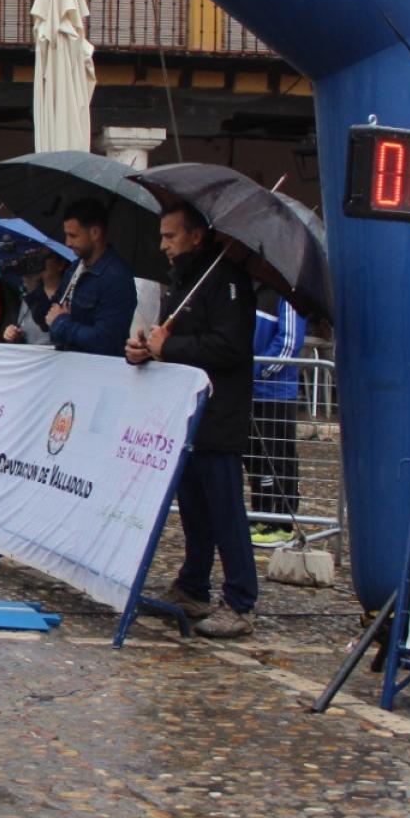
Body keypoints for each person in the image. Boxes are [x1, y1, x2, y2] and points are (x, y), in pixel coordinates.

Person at [126, 201, 257, 639]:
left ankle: (240, 600)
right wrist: (147, 348)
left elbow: (229, 347)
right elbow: (175, 337)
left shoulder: (229, 281)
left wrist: (170, 349)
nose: (163, 245)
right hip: (187, 414)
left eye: (170, 236)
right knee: (196, 510)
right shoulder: (185, 279)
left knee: (225, 511)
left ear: (196, 236)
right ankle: (193, 585)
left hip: (220, 414)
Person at [249, 285, 308, 542]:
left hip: (276, 392)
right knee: (256, 456)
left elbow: (290, 341)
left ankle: (283, 521)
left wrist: (259, 370)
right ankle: (262, 513)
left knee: (279, 455)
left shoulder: (288, 294)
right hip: (251, 390)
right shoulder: (253, 290)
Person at [45, 198, 137, 357]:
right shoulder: (75, 268)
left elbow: (106, 340)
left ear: (95, 233)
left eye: (73, 235)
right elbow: (49, 319)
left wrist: (61, 323)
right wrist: (33, 285)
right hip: (69, 365)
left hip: (96, 372)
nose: (67, 243)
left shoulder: (116, 277)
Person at [3, 250, 72, 344]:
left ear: (60, 264)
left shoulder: (70, 296)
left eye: (44, 257)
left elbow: (47, 326)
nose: (39, 261)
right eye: (37, 256)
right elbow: (23, 330)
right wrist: (13, 334)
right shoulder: (30, 295)